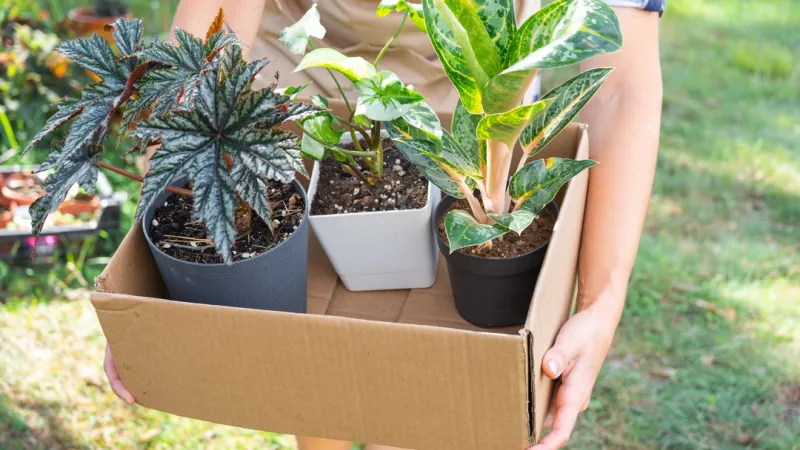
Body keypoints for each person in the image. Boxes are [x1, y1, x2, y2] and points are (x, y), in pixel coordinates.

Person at [104, 0, 664, 449]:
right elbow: (209, 31)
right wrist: (149, 275)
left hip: (468, 95)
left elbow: (618, 85)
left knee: (445, 406)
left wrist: (600, 302)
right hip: (299, 79)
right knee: (311, 379)